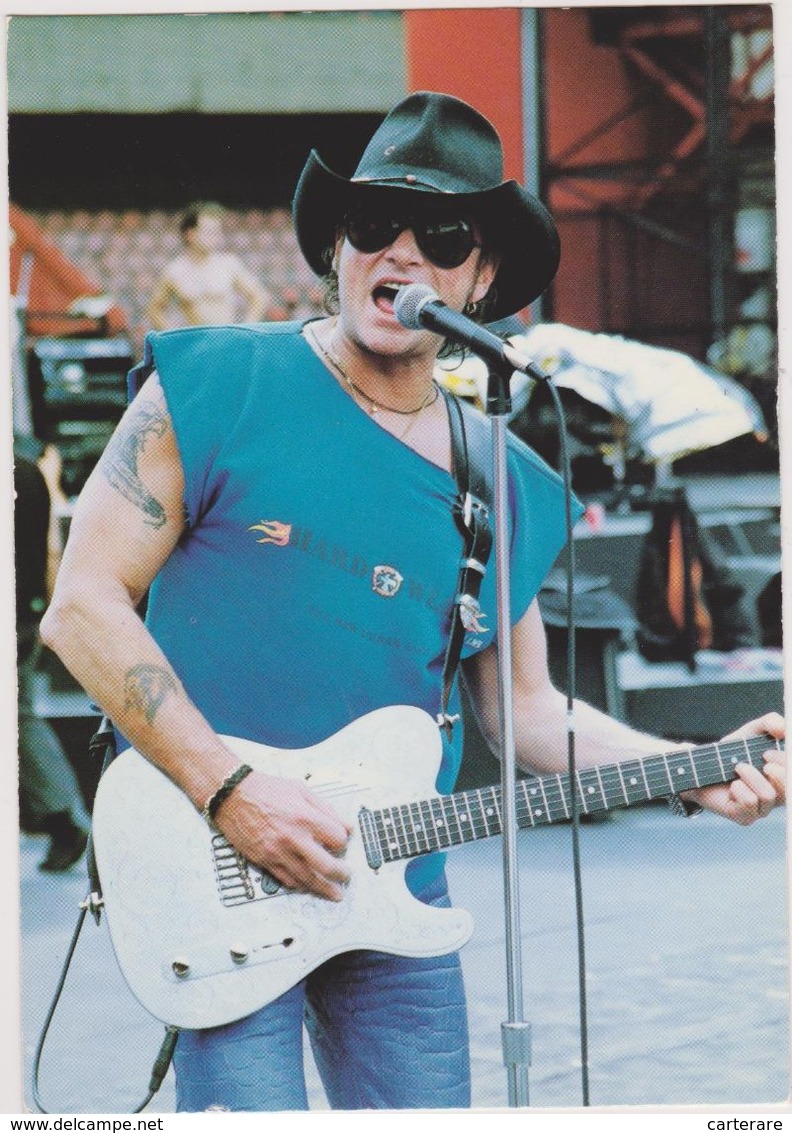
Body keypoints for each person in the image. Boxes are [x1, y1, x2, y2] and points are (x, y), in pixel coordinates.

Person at [41, 92, 785, 1111]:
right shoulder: (215, 382)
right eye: (371, 224)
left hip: (395, 890)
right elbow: (80, 606)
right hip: (213, 856)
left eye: (440, 236)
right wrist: (234, 793)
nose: (399, 253)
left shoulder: (504, 476)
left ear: (480, 279)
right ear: (334, 246)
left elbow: (520, 711)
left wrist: (689, 769)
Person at [15, 438, 89, 872]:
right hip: (27, 613)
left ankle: (63, 817)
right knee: (22, 714)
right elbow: (51, 549)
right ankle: (62, 816)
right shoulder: (29, 471)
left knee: (20, 719)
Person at [147, 201, 271, 329]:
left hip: (225, 342)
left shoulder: (229, 264)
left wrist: (246, 328)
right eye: (208, 231)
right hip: (194, 345)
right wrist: (173, 339)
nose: (215, 236)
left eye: (216, 231)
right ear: (190, 234)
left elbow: (259, 296)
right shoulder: (175, 270)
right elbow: (154, 309)